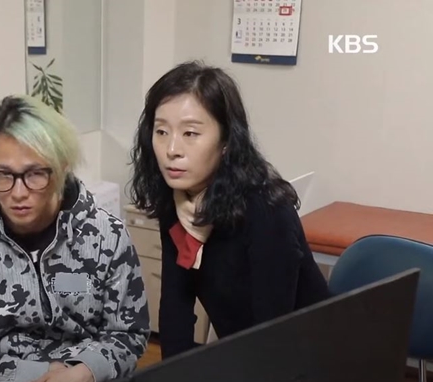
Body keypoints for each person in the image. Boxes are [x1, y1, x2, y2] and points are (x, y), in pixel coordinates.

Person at [0, 95, 150, 382]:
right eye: (3, 175)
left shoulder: (107, 237)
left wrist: (85, 370)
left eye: (35, 174)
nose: (19, 193)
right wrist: (40, 375)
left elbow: (129, 334)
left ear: (61, 168)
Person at [129, 61, 331, 360]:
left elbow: (271, 331)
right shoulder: (178, 199)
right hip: (243, 354)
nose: (172, 149)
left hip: (307, 356)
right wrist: (171, 380)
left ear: (226, 141)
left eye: (190, 133)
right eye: (161, 131)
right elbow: (176, 304)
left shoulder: (266, 208)